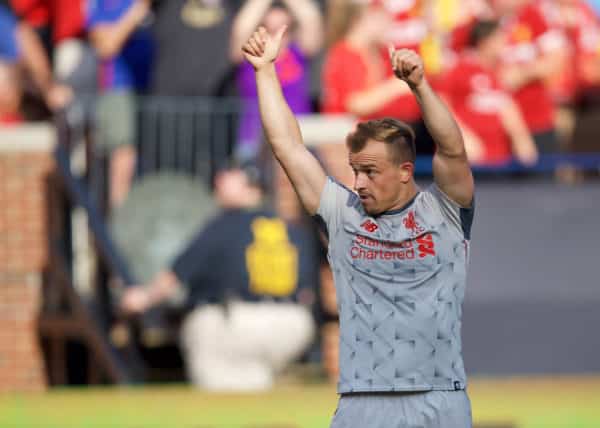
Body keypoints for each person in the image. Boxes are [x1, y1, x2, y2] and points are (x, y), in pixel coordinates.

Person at [243, 25, 474, 427]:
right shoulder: (342, 215)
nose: (359, 183)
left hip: (439, 398)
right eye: (355, 171)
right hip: (362, 401)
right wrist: (265, 71)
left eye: (370, 172)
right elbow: (289, 148)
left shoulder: (445, 214)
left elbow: (452, 149)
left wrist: (419, 86)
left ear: (405, 172)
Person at [120, 164, 318, 391]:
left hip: (236, 323)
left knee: (218, 382)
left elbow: (174, 277)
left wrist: (142, 298)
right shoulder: (291, 229)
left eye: (229, 175)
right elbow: (308, 290)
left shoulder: (225, 224)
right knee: (253, 380)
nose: (219, 180)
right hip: (292, 326)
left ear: (248, 187)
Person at [230, 0, 323, 161]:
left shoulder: (299, 52)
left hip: (299, 137)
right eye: (268, 29)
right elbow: (242, 27)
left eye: (282, 30)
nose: (276, 36)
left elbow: (311, 20)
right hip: (254, 137)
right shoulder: (250, 52)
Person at [442, 19, 538, 166]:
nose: (505, 43)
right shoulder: (460, 68)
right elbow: (440, 105)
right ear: (484, 42)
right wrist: (461, 137)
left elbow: (507, 108)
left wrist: (521, 138)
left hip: (498, 160)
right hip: (466, 162)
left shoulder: (501, 72)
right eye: (499, 38)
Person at [87, 0, 155, 208]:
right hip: (118, 90)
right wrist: (137, 11)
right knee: (123, 157)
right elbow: (106, 46)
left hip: (154, 90)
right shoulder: (105, 4)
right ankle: (118, 226)